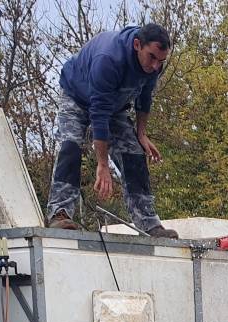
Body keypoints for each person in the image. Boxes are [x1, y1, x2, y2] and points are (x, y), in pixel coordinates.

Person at [47, 23, 176, 238]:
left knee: (134, 154)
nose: (155, 66)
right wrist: (103, 164)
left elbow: (145, 98)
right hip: (77, 97)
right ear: (137, 45)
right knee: (70, 147)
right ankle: (59, 213)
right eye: (152, 57)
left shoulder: (154, 66)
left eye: (160, 61)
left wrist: (141, 133)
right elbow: (99, 115)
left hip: (114, 106)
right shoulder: (109, 59)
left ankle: (148, 223)